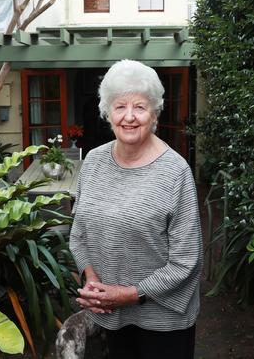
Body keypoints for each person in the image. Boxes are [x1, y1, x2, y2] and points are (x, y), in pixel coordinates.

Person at [69, 59, 203, 359]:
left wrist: (128, 295)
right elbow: (79, 233)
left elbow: (186, 261)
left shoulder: (175, 172)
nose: (129, 117)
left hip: (164, 322)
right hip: (112, 316)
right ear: (107, 112)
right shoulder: (93, 162)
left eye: (140, 107)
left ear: (154, 113)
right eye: (120, 106)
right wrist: (91, 279)